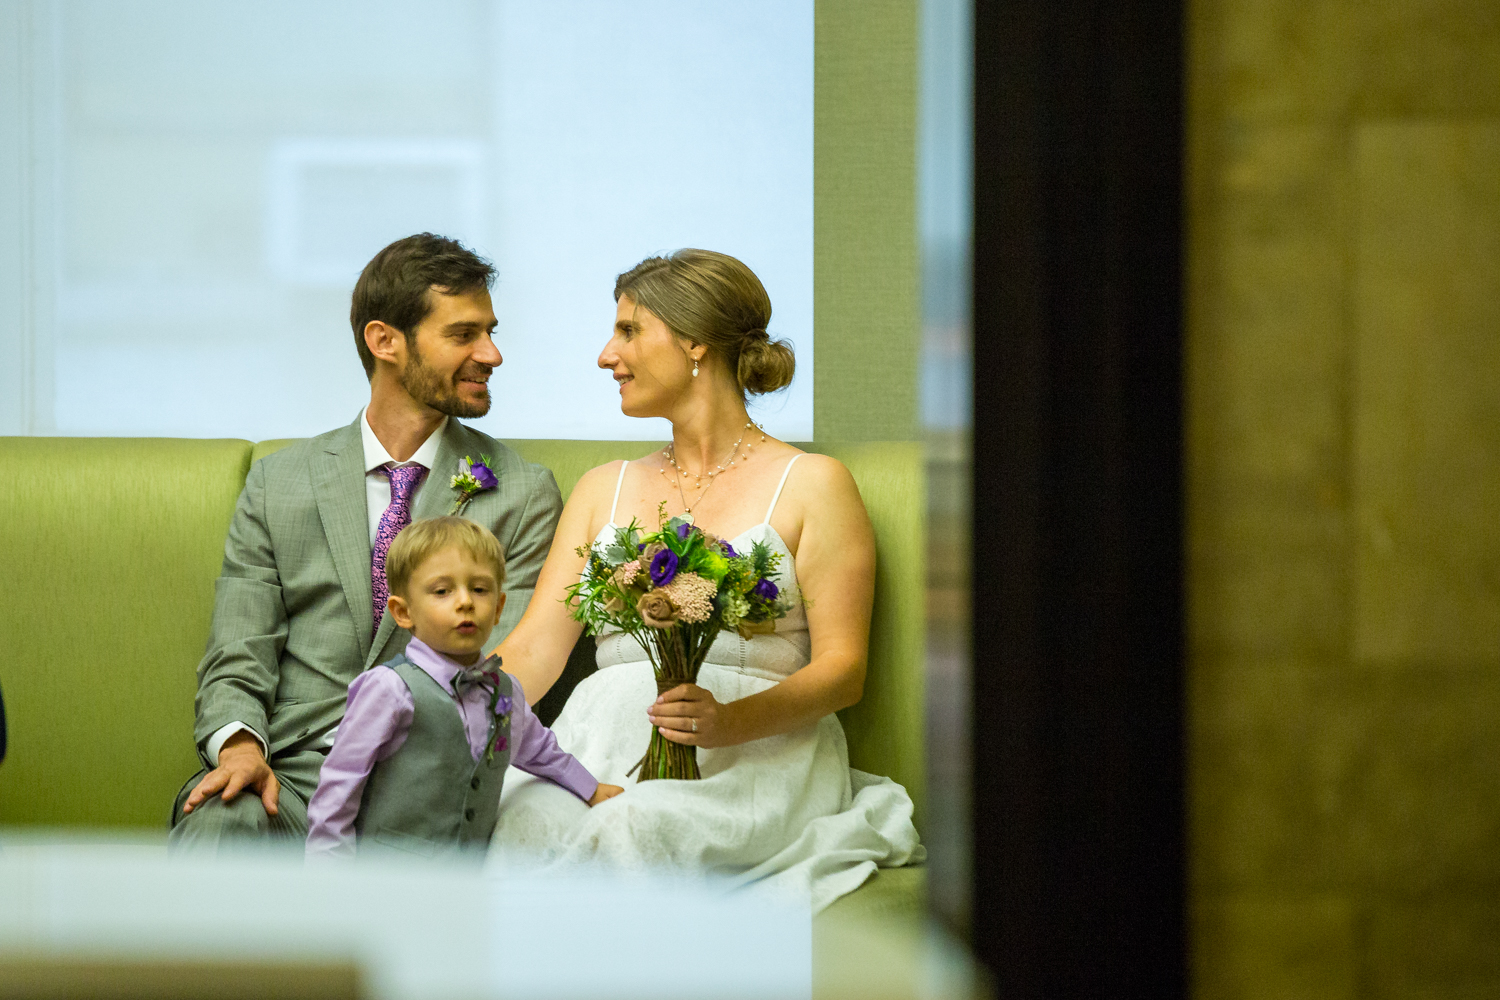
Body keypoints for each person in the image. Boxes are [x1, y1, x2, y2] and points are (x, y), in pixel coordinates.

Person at [490, 249, 923, 910]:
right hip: (597, 751)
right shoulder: (601, 488)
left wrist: (729, 721)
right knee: (527, 823)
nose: (608, 355)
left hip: (756, 759)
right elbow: (534, 651)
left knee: (635, 827)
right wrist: (435, 703)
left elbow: (845, 670)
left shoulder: (812, 484)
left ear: (695, 341)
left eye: (630, 331)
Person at [170, 233, 565, 849]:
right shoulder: (279, 482)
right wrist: (241, 744)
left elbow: (498, 667)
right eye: (463, 335)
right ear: (384, 340)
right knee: (221, 819)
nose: (492, 354)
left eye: (490, 331)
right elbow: (239, 648)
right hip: (294, 777)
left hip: (432, 787)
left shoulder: (522, 492)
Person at [305, 517, 622, 859]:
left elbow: (541, 751)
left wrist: (591, 789)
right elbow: (338, 789)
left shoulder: (505, 691)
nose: (465, 602)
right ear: (403, 611)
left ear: (499, 607)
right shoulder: (388, 689)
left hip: (467, 882)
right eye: (442, 591)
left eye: (480, 589)